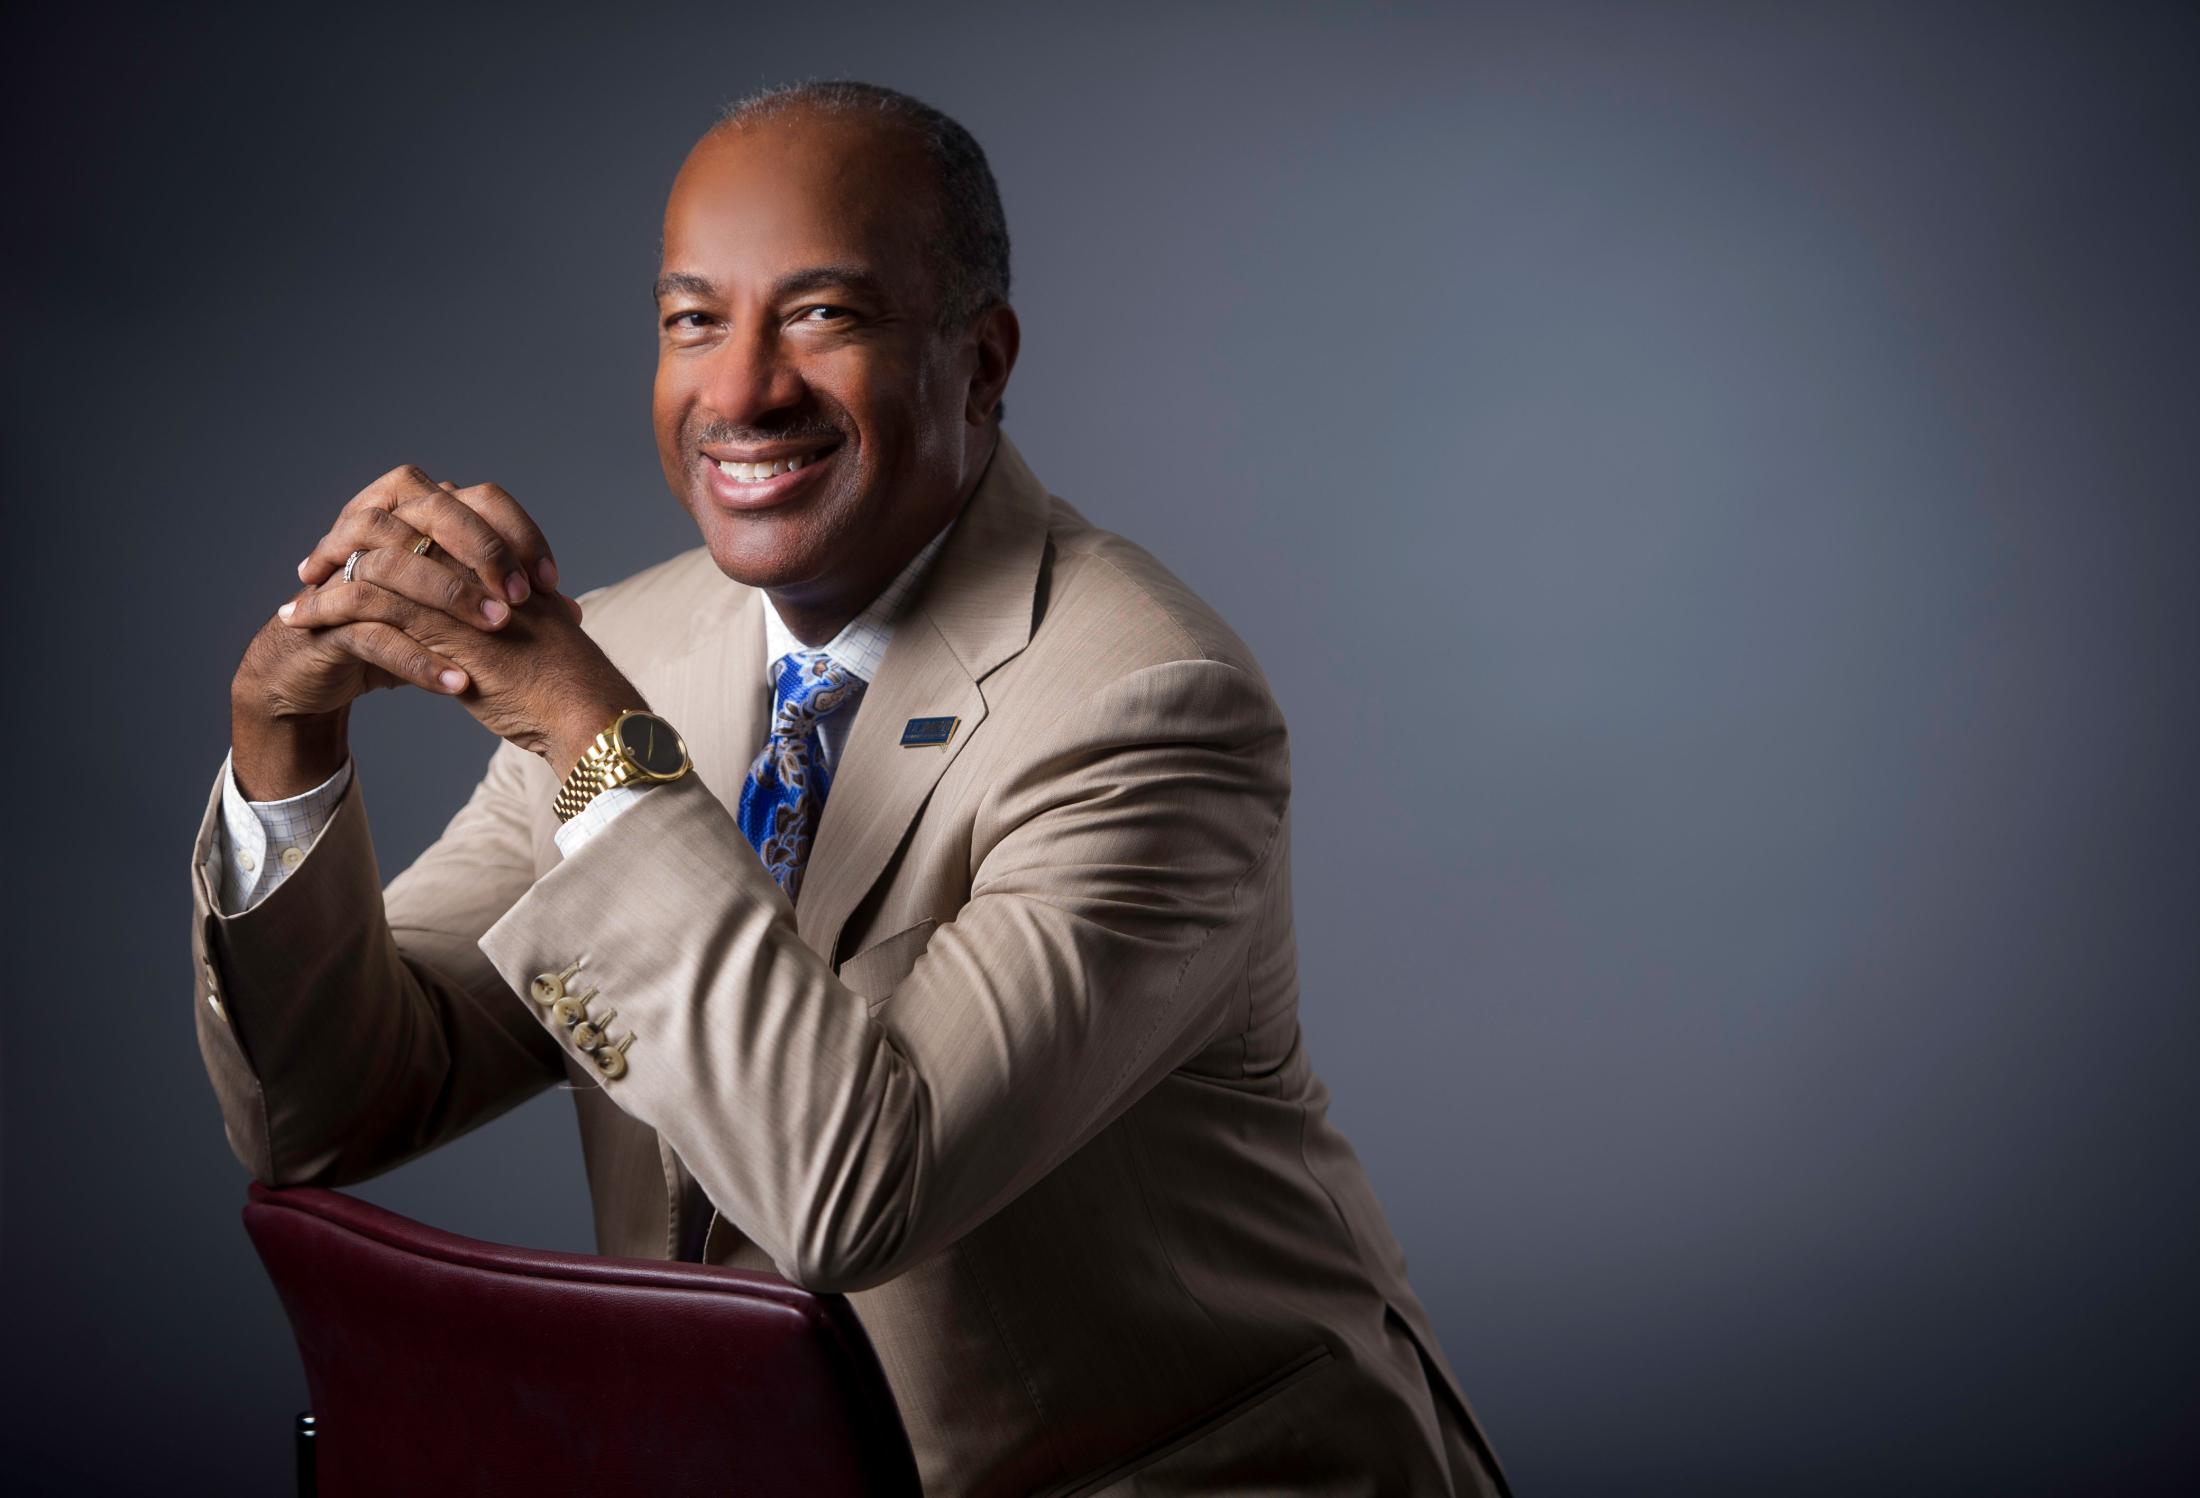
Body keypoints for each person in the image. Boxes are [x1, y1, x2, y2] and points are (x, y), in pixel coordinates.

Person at [188, 80, 1510, 1496]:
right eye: (694, 321)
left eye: (823, 315)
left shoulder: (1149, 706)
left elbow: (853, 1192)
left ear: (980, 363)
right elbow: (325, 1107)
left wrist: (583, 730)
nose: (741, 391)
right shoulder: (629, 648)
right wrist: (284, 737)